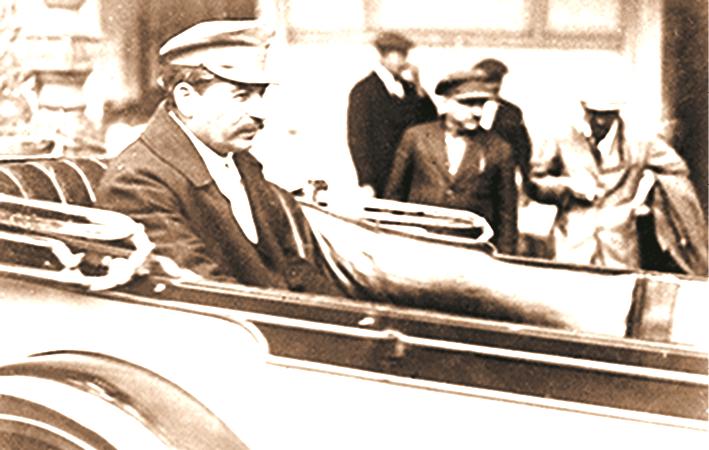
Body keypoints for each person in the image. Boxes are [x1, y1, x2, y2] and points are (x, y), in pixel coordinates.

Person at [95, 20, 344, 295]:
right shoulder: (137, 183)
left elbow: (290, 268)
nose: (261, 113)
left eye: (260, 95)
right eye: (241, 96)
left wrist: (355, 314)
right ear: (187, 99)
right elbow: (207, 294)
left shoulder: (240, 161)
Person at [530, 89, 707, 274]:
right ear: (584, 110)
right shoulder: (563, 138)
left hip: (620, 251)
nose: (599, 121)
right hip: (572, 248)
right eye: (594, 113)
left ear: (617, 113)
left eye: (607, 114)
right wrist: (567, 186)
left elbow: (676, 170)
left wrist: (642, 200)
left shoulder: (641, 142)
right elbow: (535, 182)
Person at [384, 69, 518, 254]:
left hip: (471, 251)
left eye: (481, 104)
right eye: (468, 103)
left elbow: (507, 217)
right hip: (417, 247)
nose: (477, 111)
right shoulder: (416, 138)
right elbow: (393, 198)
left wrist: (503, 258)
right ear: (446, 103)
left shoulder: (499, 149)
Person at [347, 31, 438, 197]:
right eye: (398, 55)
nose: (403, 61)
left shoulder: (410, 89)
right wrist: (367, 181)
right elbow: (358, 139)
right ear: (383, 56)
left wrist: (418, 85)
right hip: (382, 177)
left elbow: (431, 120)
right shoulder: (364, 91)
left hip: (413, 175)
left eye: (405, 55)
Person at [470, 58, 533, 194]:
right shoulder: (463, 110)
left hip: (499, 178)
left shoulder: (511, 112)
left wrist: (525, 181)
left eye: (497, 80)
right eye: (488, 81)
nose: (493, 86)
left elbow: (522, 147)